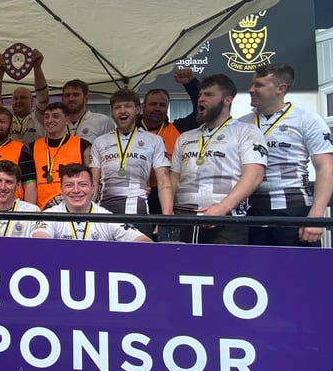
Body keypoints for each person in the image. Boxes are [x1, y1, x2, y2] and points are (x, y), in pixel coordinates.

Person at [238, 63, 333, 246]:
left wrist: (315, 215)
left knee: (297, 273)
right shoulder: (242, 124)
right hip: (253, 211)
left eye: (259, 85)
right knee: (255, 273)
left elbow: (325, 168)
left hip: (293, 209)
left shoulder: (307, 119)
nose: (251, 90)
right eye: (252, 84)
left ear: (280, 89)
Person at [171, 74, 267, 244]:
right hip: (183, 218)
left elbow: (254, 175)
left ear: (227, 100)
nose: (201, 99)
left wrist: (222, 209)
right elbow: (174, 178)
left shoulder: (246, 131)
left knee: (226, 269)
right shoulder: (185, 137)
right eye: (200, 94)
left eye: (209, 95)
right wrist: (168, 213)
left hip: (226, 220)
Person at [90, 88, 173, 235]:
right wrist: (87, 214)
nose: (122, 111)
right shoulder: (100, 142)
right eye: (117, 107)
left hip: (138, 210)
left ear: (137, 109)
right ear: (112, 112)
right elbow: (94, 184)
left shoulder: (154, 140)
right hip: (105, 210)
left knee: (138, 256)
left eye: (127, 106)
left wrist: (166, 217)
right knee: (104, 257)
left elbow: (164, 182)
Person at [32, 164, 151, 242]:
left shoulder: (106, 217)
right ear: (61, 190)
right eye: (69, 185)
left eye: (82, 184)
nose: (76, 190)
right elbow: (39, 240)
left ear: (93, 188)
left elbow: (143, 242)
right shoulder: (50, 216)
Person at [139, 68, 200, 218]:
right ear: (142, 106)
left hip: (169, 194)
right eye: (153, 104)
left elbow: (200, 109)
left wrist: (191, 84)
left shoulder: (179, 129)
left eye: (162, 105)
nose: (157, 108)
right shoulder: (131, 130)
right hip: (138, 194)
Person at [33, 49, 115, 145]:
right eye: (67, 95)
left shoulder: (102, 121)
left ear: (86, 99)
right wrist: (37, 68)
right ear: (62, 99)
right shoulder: (54, 121)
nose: (71, 98)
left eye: (76, 95)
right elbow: (42, 97)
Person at [27, 102, 91, 210]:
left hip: (71, 207)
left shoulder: (82, 145)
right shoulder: (33, 146)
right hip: (42, 209)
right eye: (46, 117)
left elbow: (91, 180)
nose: (50, 120)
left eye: (55, 116)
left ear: (66, 120)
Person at [0, 50, 46, 144]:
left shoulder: (39, 117)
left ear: (32, 101)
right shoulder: (7, 119)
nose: (18, 101)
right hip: (10, 158)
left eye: (23, 97)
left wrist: (37, 67)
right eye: (15, 98)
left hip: (34, 159)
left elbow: (43, 97)